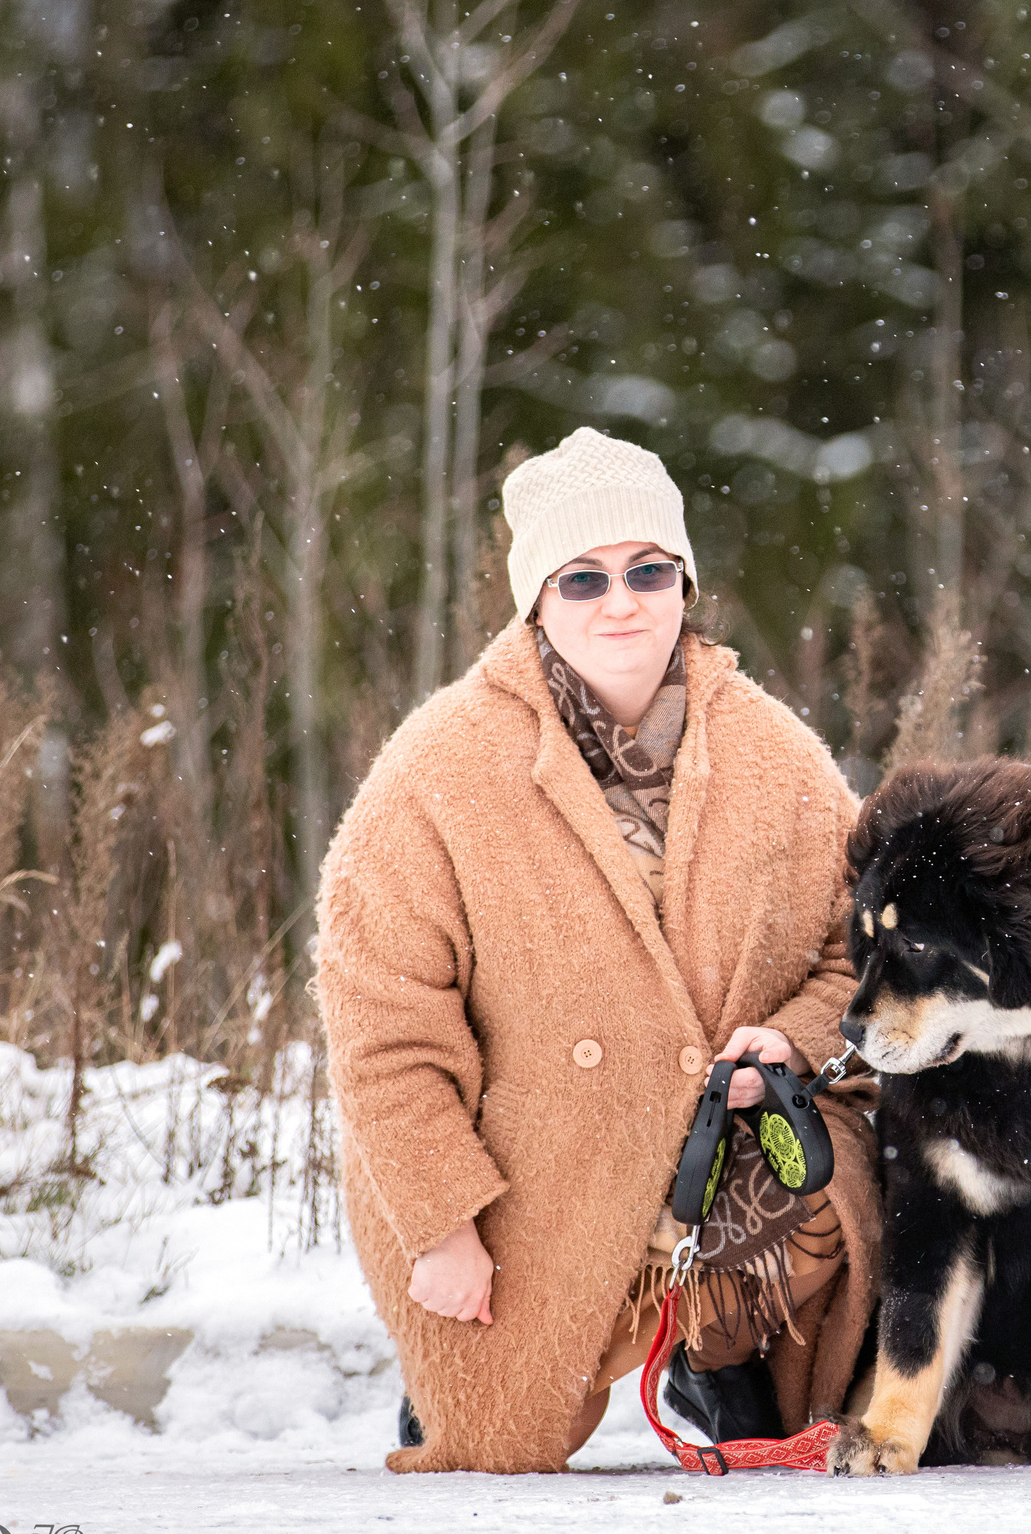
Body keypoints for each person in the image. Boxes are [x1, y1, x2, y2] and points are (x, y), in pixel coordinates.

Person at [317, 427, 880, 1473]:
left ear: (684, 581)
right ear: (536, 600)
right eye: (582, 579)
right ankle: (485, 1358)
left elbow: (863, 957)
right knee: (497, 1443)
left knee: (841, 1193)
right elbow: (384, 1028)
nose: (620, 601)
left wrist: (790, 1041)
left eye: (647, 571)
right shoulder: (435, 769)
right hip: (533, 1178)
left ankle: (719, 1344)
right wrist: (439, 1227)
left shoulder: (777, 753)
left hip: (731, 1157)